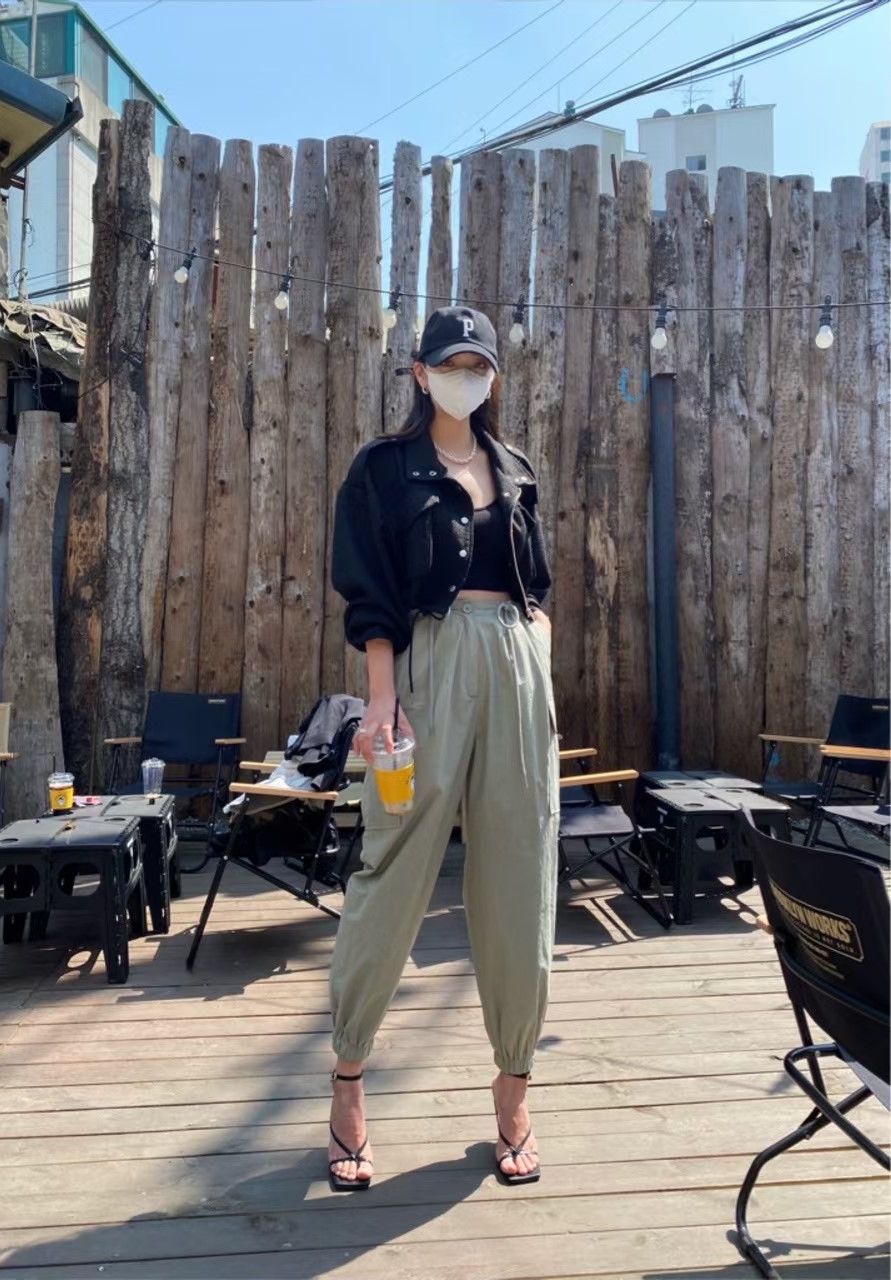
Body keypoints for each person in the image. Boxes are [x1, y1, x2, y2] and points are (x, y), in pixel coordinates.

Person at [327, 305, 559, 1192]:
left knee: (522, 873)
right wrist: (383, 699)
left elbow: (535, 589)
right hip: (428, 667)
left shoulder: (516, 469)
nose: (466, 376)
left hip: (517, 666)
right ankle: (349, 1076)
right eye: (450, 363)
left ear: (491, 377)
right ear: (420, 374)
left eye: (479, 365)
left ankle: (513, 1084)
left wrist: (536, 669)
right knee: (390, 869)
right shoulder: (382, 469)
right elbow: (371, 596)